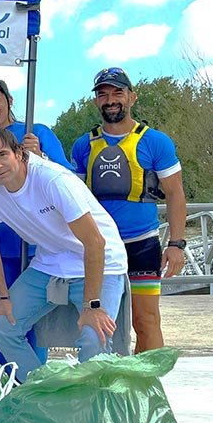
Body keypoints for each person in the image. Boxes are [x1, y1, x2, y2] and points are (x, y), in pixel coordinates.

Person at [0, 128, 128, 381]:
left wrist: (93, 306)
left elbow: (95, 242)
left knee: (94, 335)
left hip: (102, 260)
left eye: (2, 155)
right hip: (51, 261)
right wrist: (3, 296)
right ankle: (43, 390)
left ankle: (91, 404)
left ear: (20, 153)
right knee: (1, 327)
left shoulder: (52, 179)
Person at [71, 67, 186, 353]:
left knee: (146, 321)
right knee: (102, 323)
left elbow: (175, 193)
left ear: (131, 97)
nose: (110, 100)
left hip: (141, 245)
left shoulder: (155, 142)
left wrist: (176, 244)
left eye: (117, 93)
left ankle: (148, 387)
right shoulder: (83, 145)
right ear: (96, 101)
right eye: (103, 94)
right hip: (101, 249)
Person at [0, 75, 72, 364]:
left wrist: (41, 156)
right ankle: (5, 383)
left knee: (35, 318)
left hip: (39, 247)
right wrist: (2, 208)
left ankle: (36, 382)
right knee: (1, 313)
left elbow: (69, 180)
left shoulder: (37, 134)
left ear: (9, 100)